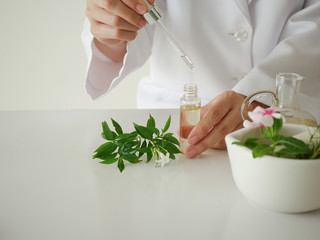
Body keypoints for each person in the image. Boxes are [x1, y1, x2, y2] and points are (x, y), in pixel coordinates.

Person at [82, 0, 320, 158]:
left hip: (283, 130)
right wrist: (111, 30)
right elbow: (124, 27)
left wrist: (259, 95)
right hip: (173, 138)